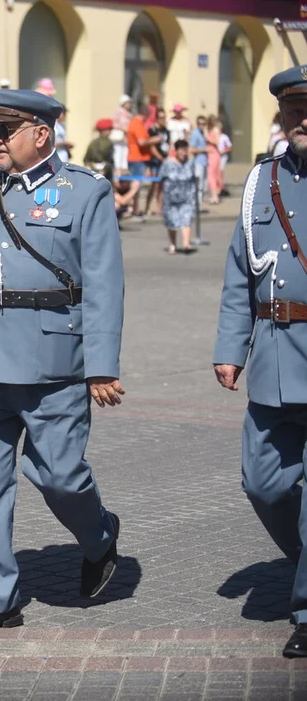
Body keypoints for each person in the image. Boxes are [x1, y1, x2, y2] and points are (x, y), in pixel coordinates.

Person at [0, 89, 125, 635]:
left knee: (60, 475)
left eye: (5, 130)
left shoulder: (85, 192)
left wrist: (101, 365)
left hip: (54, 362)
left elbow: (105, 286)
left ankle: (99, 536)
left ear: (41, 133)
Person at [213, 65, 307, 660]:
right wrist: (230, 348)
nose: (304, 121)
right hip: (276, 355)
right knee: (263, 482)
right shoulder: (259, 183)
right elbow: (239, 274)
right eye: (295, 111)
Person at [158, 140, 195, 254]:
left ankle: (186, 244)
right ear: (176, 150)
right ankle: (172, 245)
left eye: (185, 150)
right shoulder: (168, 163)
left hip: (186, 198)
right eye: (181, 150)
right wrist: (159, 198)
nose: (183, 153)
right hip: (171, 198)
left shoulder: (190, 163)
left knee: (186, 219)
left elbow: (194, 180)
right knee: (172, 222)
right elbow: (160, 181)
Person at [126, 104, 156, 217]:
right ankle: (134, 209)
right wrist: (155, 140)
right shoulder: (136, 124)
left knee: (137, 184)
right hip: (136, 158)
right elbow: (142, 142)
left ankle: (135, 208)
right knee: (136, 185)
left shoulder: (139, 124)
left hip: (139, 158)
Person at [143, 107, 170, 215]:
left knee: (162, 185)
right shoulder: (152, 130)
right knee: (154, 184)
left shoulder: (166, 131)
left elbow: (169, 143)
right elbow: (152, 147)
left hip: (165, 159)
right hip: (155, 160)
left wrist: (167, 158)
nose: (162, 120)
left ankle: (160, 208)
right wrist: (160, 157)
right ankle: (147, 207)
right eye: (160, 118)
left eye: (164, 117)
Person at [83, 118, 115, 182]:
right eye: (109, 129)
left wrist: (91, 168)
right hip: (105, 173)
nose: (110, 132)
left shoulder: (93, 142)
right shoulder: (109, 142)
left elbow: (86, 159)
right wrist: (104, 171)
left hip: (93, 172)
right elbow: (109, 160)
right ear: (104, 130)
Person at [189, 114, 209, 206]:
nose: (202, 125)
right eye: (200, 123)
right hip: (198, 162)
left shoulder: (202, 134)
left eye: (203, 124)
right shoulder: (195, 134)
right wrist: (204, 149)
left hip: (204, 162)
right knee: (198, 184)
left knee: (203, 184)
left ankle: (199, 203)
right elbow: (191, 149)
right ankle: (196, 204)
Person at [205, 116, 224, 205]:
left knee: (212, 174)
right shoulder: (208, 130)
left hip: (214, 153)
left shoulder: (215, 129)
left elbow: (217, 142)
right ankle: (213, 195)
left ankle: (215, 196)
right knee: (212, 175)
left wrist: (208, 139)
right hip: (209, 153)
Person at [112, 95, 132, 172]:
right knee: (118, 153)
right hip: (119, 136)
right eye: (128, 103)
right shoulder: (119, 111)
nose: (129, 104)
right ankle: (118, 169)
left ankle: (124, 170)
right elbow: (115, 123)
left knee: (125, 153)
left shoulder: (129, 113)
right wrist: (122, 129)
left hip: (126, 137)